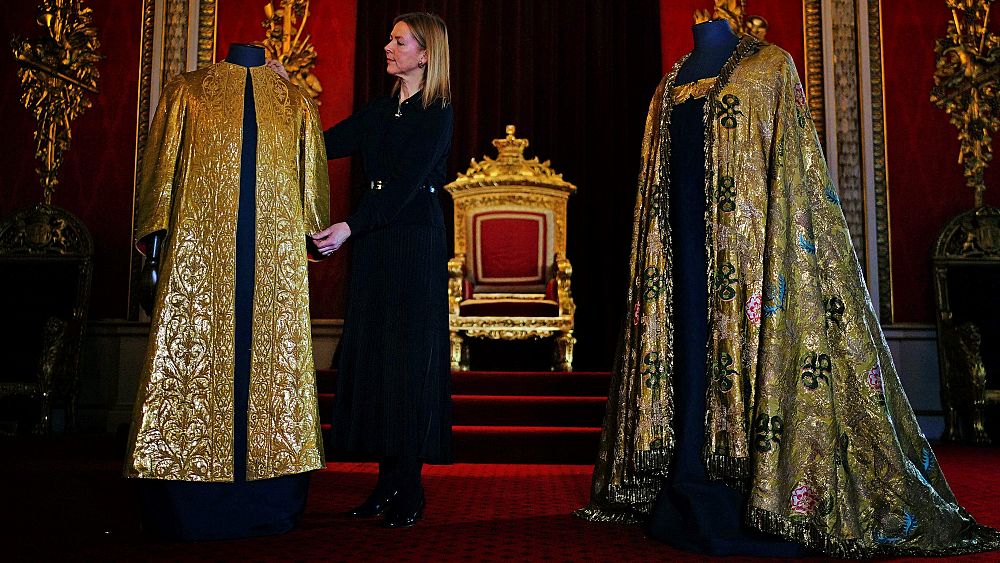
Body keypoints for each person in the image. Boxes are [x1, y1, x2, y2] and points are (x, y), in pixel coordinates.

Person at [576, 19, 1000, 558]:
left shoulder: (771, 67)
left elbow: (794, 171)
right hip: (681, 256)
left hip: (754, 262)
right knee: (690, 364)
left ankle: (759, 488)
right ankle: (688, 470)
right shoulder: (669, 83)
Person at [126, 43, 329, 540]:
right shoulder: (188, 90)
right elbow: (161, 174)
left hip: (270, 259)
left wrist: (315, 230)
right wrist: (155, 238)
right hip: (205, 251)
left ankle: (257, 496)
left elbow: (312, 187)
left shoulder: (296, 101)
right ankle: (196, 497)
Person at [311, 12, 453, 529]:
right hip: (375, 241)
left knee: (408, 360)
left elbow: (405, 188)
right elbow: (319, 143)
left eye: (398, 41)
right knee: (376, 357)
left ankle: (409, 487)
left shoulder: (436, 113)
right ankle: (384, 485)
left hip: (413, 240)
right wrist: (281, 100)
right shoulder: (378, 112)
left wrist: (349, 227)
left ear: (425, 53)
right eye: (389, 39)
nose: (387, 48)